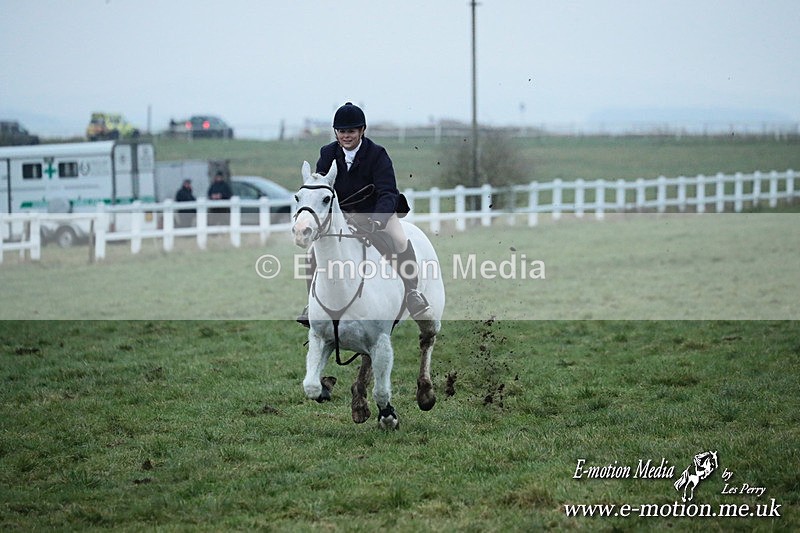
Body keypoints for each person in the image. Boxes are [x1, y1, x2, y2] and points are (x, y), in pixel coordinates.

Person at [297, 102, 430, 326]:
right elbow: (321, 190)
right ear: (336, 132)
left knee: (398, 239)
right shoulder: (327, 153)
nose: (346, 136)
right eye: (341, 131)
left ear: (362, 131)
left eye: (351, 131)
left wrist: (377, 220)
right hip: (342, 215)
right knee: (313, 251)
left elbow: (388, 192)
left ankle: (412, 293)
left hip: (377, 211)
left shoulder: (377, 154)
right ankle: (312, 303)